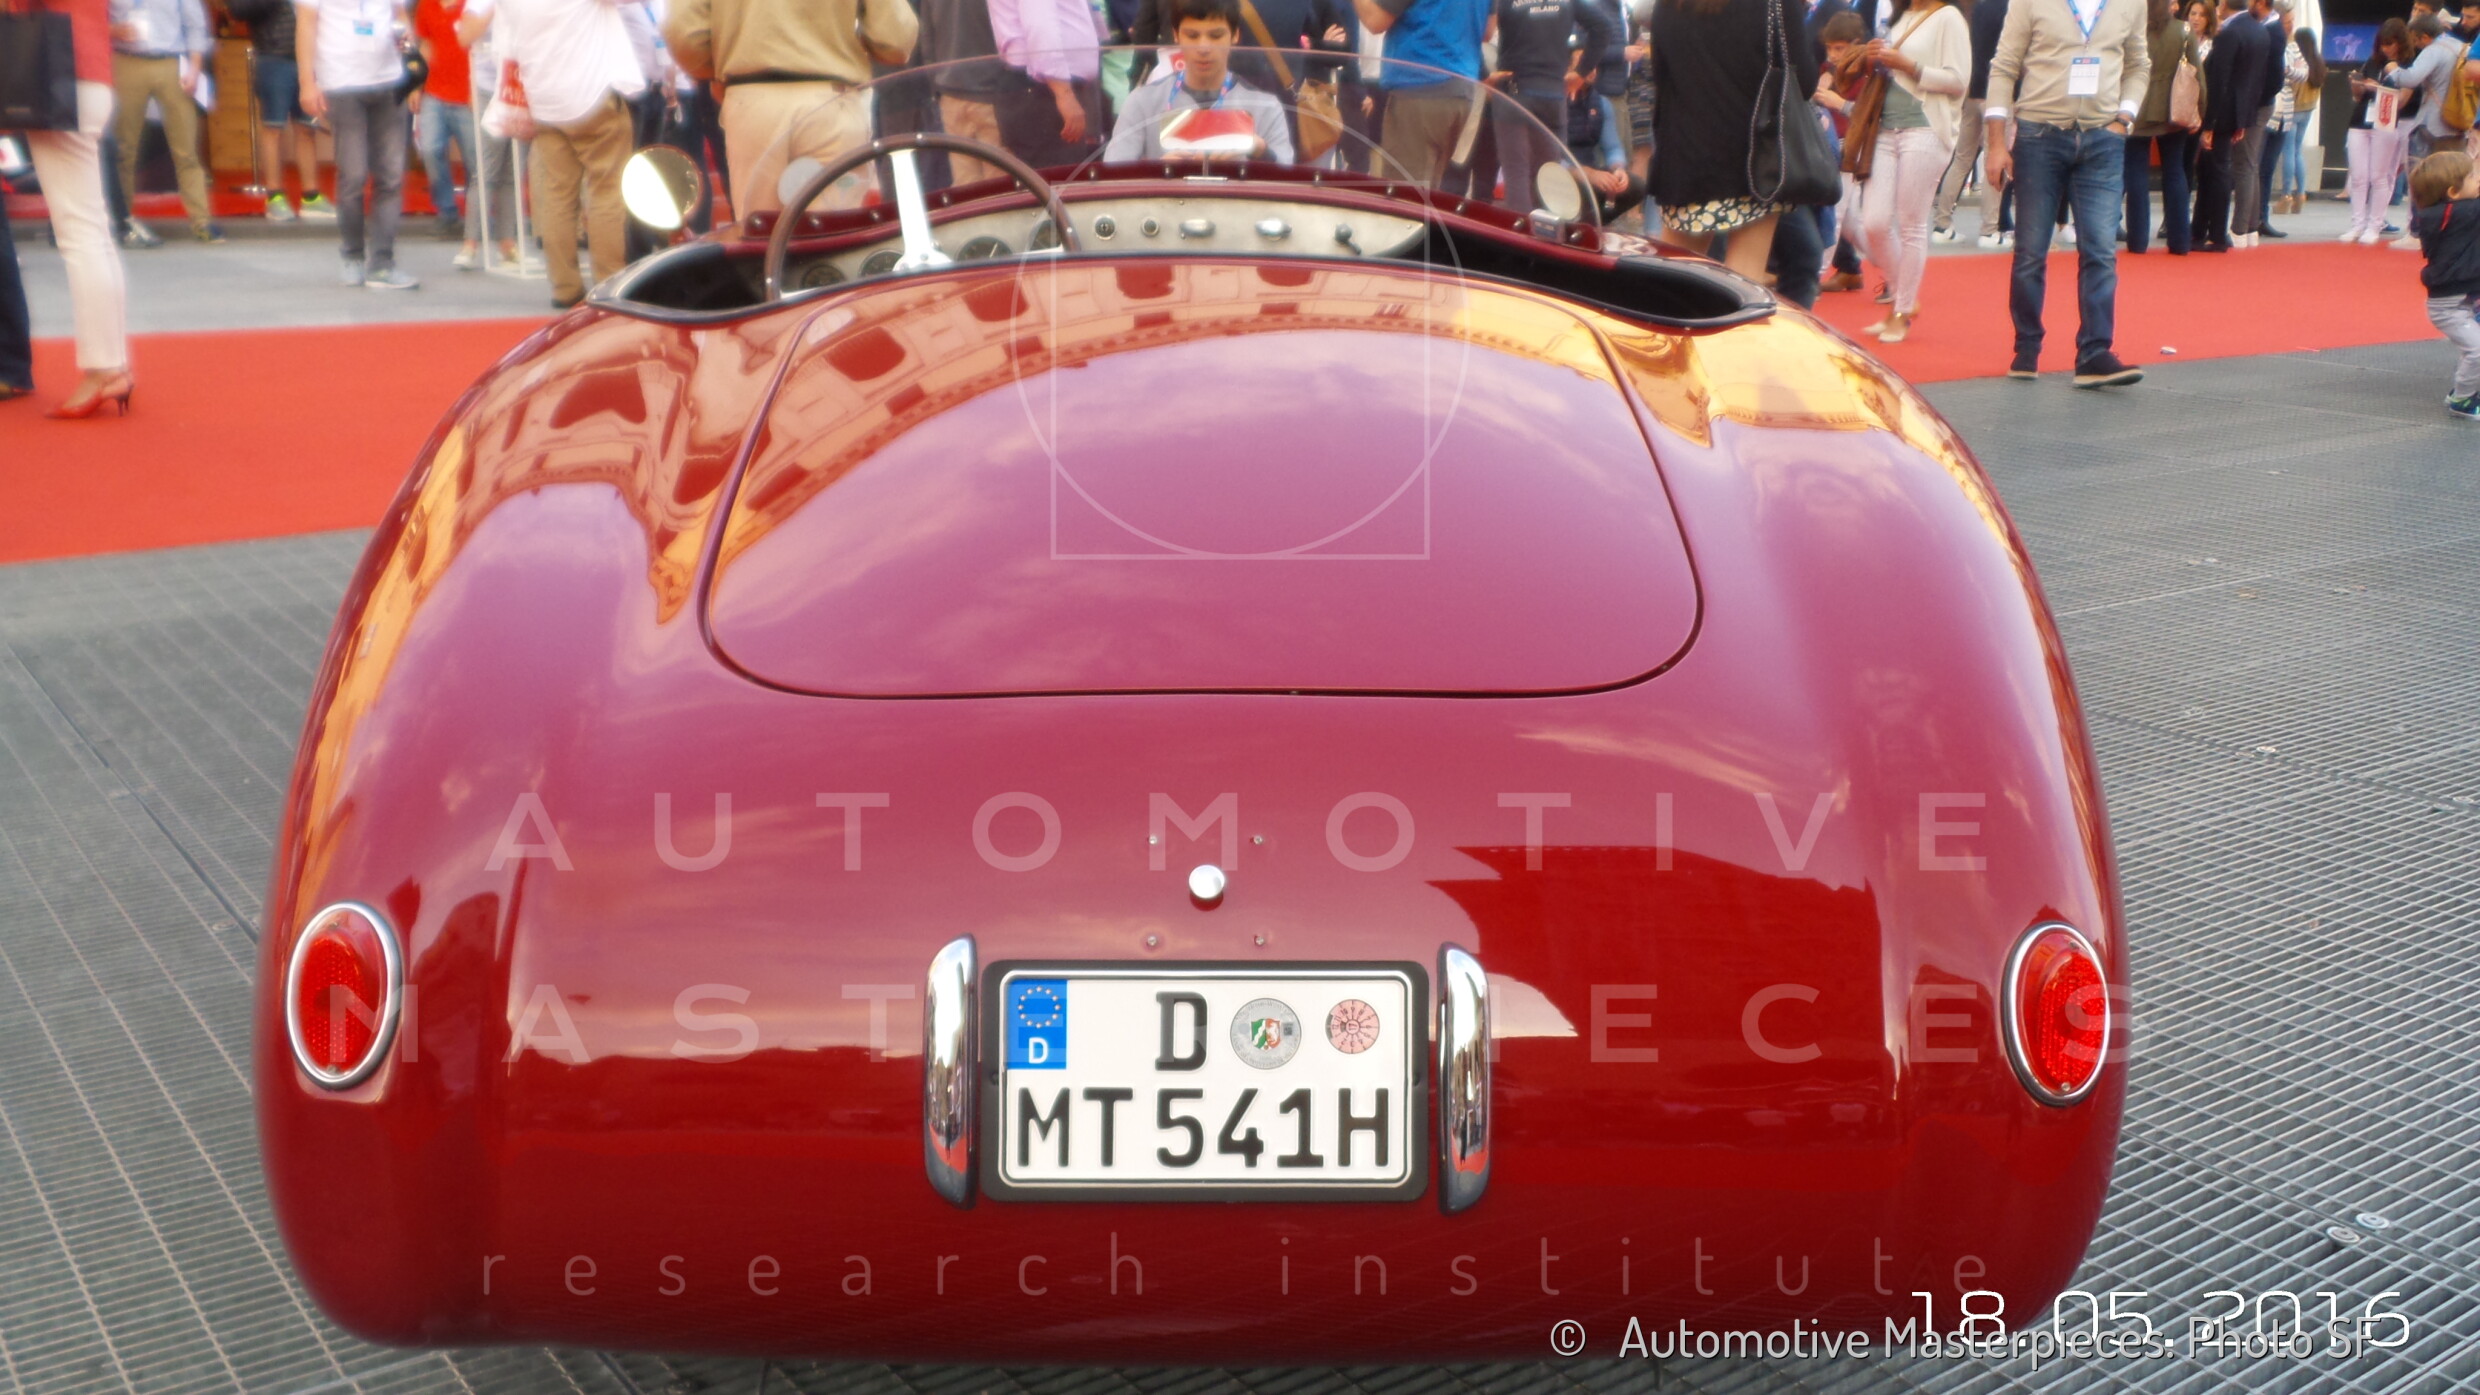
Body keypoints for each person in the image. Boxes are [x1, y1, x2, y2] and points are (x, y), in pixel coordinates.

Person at [1984, 0, 2148, 386]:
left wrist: (2125, 118)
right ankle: (2027, 346)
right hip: (2039, 134)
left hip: (2103, 138)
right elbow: (2004, 66)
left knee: (2101, 251)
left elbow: (2139, 63)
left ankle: (2094, 352)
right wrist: (1996, 143)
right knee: (2030, 251)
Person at [663, 0, 916, 213]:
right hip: (832, 103)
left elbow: (684, 35)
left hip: (753, 103)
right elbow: (895, 38)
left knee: (762, 241)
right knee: (836, 240)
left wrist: (722, 65)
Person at [483, 0, 644, 308]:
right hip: (592, 94)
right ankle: (609, 281)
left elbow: (504, 44)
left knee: (557, 196)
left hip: (544, 98)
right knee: (606, 192)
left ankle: (564, 286)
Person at [1648, 0, 1819, 282]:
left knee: (1672, 282)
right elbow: (1805, 82)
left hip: (1685, 156)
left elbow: (1660, 76)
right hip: (1755, 158)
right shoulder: (1775, 4)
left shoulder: (1670, 4)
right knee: (1743, 281)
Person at [23, 0, 137, 415]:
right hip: (90, 76)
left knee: (80, 235)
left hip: (56, 76)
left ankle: (103, 368)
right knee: (94, 232)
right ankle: (113, 363)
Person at [1848, 0, 1967, 344]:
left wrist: (1910, 66)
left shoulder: (1948, 17)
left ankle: (1900, 310)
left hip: (1925, 128)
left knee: (1912, 222)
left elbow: (1959, 81)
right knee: (1874, 222)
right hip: (1884, 129)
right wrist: (1875, 58)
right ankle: (1904, 299)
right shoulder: (1898, 18)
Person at [299, 0, 422, 288]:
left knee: (391, 176)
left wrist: (411, 59)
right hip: (341, 80)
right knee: (353, 175)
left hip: (390, 78)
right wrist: (307, 82)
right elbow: (306, 24)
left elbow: (401, 14)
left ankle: (382, 262)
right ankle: (352, 253)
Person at [1105, 0, 1295, 159]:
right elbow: (1114, 175)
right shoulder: (1142, 102)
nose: (1203, 48)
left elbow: (1287, 178)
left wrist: (1260, 151)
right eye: (1192, 36)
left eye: (1216, 36)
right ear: (1176, 35)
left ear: (1235, 35)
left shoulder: (1265, 106)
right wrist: (1158, 172)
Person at [108, 0, 222, 244]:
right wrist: (113, 30)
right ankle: (122, 220)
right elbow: (96, 20)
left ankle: (202, 221)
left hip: (171, 62)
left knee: (186, 149)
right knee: (124, 149)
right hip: (126, 60)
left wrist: (195, 68)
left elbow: (195, 24)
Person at [1488, 0, 1614, 212]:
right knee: (1548, 177)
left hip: (1514, 91)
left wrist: (1483, 73)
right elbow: (1602, 26)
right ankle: (1546, 230)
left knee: (1517, 173)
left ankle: (1520, 231)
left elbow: (1481, 29)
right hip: (1553, 95)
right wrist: (1581, 72)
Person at [1352, 0, 1489, 187]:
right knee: (1430, 191)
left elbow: (1375, 20)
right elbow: (1488, 30)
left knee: (1404, 194)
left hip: (1419, 88)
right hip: (1462, 92)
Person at [226, 0, 335, 218]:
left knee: (307, 129)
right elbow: (238, 10)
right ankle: (275, 196)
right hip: (273, 56)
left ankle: (311, 196)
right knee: (273, 128)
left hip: (309, 58)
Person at [989, 0, 1104, 169]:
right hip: (1044, 90)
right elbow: (1040, 27)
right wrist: (1064, 94)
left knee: (1054, 177)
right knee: (1059, 178)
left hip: (1041, 87)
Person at [2408, 149, 2480, 418]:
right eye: (2472, 177)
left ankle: (2466, 388)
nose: (2478, 180)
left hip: (2466, 296)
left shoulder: (2444, 213)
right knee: (2477, 350)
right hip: (2451, 306)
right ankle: (2462, 399)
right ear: (2453, 192)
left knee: (2474, 347)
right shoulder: (2460, 214)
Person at [2124, 0, 2199, 253]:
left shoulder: (2132, 28)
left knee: (2136, 173)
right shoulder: (2183, 30)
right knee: (2175, 170)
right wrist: (2200, 110)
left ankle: (2137, 240)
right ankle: (2179, 241)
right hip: (2173, 107)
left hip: (2137, 105)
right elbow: (2197, 73)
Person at [2193, 0, 2266, 251]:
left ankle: (2215, 233)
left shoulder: (2230, 33)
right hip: (2237, 112)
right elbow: (2255, 80)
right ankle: (2201, 230)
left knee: (2215, 172)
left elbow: (2219, 79)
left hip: (2221, 113)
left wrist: (2209, 124)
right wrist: (2243, 119)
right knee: (2212, 170)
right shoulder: (2258, 30)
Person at [1934, 0, 2007, 242]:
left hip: (1972, 88)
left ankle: (1942, 224)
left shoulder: (1979, 7)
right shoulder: (2012, 7)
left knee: (1962, 159)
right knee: (1994, 159)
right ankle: (1989, 229)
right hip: (1997, 93)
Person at [413, 0, 479, 257]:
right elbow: (426, 46)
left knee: (475, 162)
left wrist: (480, 89)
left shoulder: (474, 5)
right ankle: (447, 212)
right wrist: (417, 85)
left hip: (468, 95)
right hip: (435, 92)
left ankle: (476, 219)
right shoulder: (427, 4)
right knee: (430, 149)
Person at [921, 0, 1009, 186]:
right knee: (1000, 184)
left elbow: (927, 42)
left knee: (966, 185)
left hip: (950, 94)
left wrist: (937, 87)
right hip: (992, 93)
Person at [2345, 19, 2415, 242]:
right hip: (2361, 121)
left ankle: (2374, 225)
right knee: (2358, 176)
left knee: (2379, 176)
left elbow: (2403, 99)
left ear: (2400, 43)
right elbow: (2358, 97)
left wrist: (2379, 88)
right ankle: (2357, 224)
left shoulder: (2408, 65)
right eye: (2382, 44)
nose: (2386, 49)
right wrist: (2357, 85)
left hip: (2387, 121)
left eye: (2390, 44)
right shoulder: (2373, 61)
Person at [2267, 24, 2318, 216]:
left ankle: (2286, 194)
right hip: (2309, 109)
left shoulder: (2295, 58)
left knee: (2288, 152)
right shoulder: (2317, 63)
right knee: (2297, 151)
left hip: (2293, 109)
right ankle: (2301, 193)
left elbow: (2290, 85)